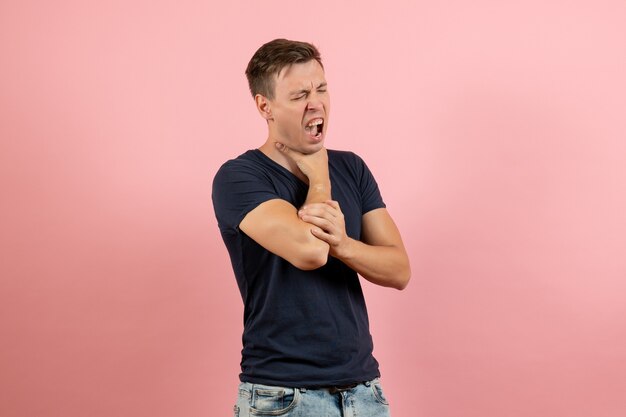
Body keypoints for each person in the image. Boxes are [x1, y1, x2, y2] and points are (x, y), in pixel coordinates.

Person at [212, 38, 411, 417]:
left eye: (321, 88)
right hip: (283, 397)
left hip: (363, 393)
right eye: (300, 94)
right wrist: (318, 178)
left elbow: (399, 269)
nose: (316, 102)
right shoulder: (239, 177)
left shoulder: (352, 168)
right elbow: (310, 252)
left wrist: (346, 245)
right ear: (264, 106)